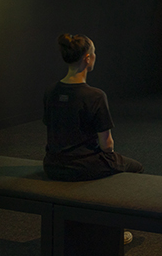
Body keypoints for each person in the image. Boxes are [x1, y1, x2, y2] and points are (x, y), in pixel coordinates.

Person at [43, 34, 144, 182]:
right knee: (137, 167)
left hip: (52, 165)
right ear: (87, 58)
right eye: (94, 53)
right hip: (82, 167)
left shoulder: (50, 91)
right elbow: (107, 146)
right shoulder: (95, 96)